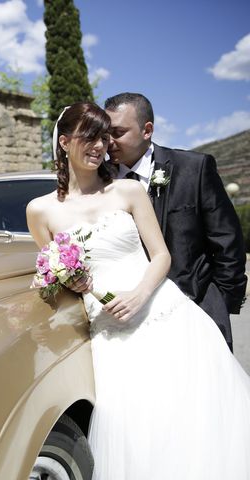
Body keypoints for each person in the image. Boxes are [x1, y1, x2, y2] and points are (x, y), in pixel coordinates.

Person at [26, 102, 250, 480]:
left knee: (191, 419)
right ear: (64, 143)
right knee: (137, 429)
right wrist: (69, 280)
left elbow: (161, 255)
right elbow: (53, 274)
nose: (100, 145)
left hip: (165, 315)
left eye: (104, 136)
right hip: (111, 336)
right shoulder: (40, 210)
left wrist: (141, 294)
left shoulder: (128, 191)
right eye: (89, 136)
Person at [104, 92, 247, 351]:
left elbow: (227, 242)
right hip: (126, 318)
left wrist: (220, 303)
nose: (109, 142)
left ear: (147, 130)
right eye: (105, 134)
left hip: (196, 308)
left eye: (118, 132)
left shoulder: (194, 168)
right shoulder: (99, 181)